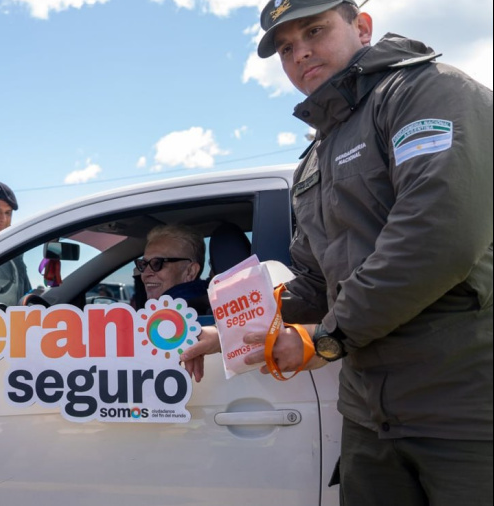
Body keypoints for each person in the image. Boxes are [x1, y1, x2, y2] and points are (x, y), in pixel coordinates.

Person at [181, 2, 493, 504]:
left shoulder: (427, 92)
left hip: (466, 412)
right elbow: (313, 281)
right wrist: (232, 332)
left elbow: (437, 238)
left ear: (361, 27)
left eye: (315, 31)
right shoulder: (316, 157)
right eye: (286, 48)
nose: (301, 52)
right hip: (369, 416)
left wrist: (326, 339)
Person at [134, 224, 210, 315]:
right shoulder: (206, 306)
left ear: (190, 272)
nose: (145, 274)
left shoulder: (172, 318)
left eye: (157, 263)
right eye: (143, 264)